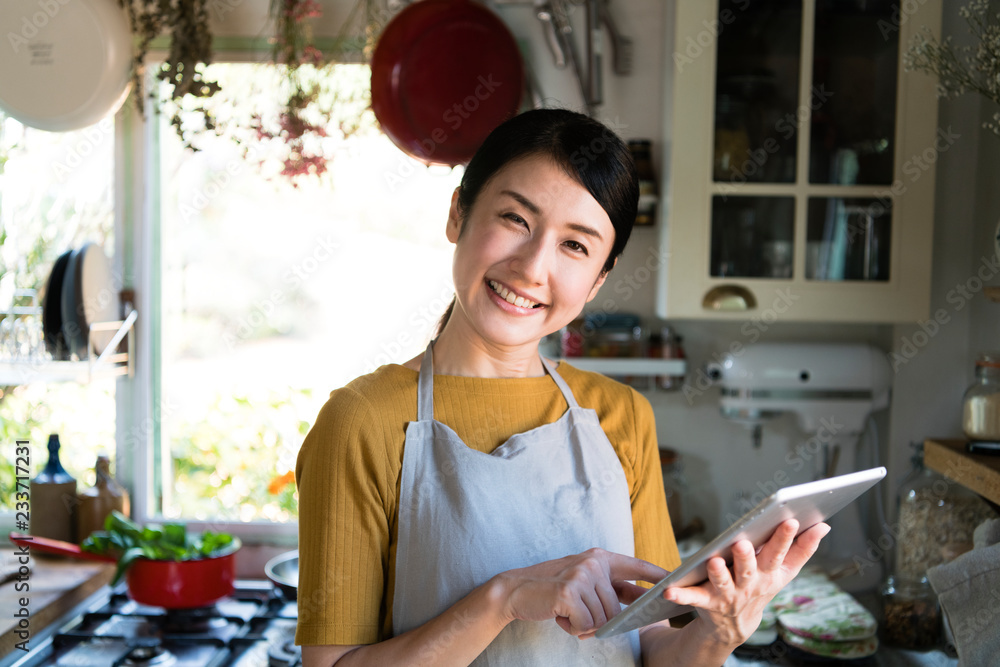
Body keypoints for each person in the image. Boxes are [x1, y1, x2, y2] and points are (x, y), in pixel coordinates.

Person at [294, 108, 830, 666]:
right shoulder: (361, 422)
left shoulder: (621, 414)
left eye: (575, 246)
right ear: (458, 213)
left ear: (599, 278)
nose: (531, 269)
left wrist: (721, 632)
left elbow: (653, 648)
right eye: (515, 219)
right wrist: (505, 599)